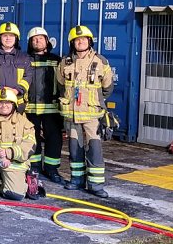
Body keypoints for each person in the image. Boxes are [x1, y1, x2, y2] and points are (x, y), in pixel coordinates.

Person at [56, 25, 114, 198]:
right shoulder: (65, 62)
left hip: (92, 115)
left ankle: (96, 185)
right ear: (72, 43)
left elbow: (107, 88)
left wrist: (94, 101)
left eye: (83, 39)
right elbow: (60, 86)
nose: (80, 42)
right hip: (72, 115)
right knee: (74, 148)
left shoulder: (100, 61)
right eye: (77, 40)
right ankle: (77, 179)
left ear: (89, 41)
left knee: (94, 149)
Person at [25, 26, 64, 184]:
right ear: (29, 43)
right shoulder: (24, 60)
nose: (37, 41)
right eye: (34, 39)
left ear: (47, 41)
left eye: (40, 38)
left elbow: (63, 83)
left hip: (52, 108)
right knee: (32, 139)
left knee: (54, 139)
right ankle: (34, 167)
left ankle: (52, 169)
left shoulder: (56, 60)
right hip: (30, 108)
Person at [0, 22, 33, 118]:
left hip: (17, 104)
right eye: (5, 36)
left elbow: (28, 77)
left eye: (11, 36)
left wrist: (17, 90)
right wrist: (0, 89)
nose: (8, 38)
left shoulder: (24, 57)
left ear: (16, 38)